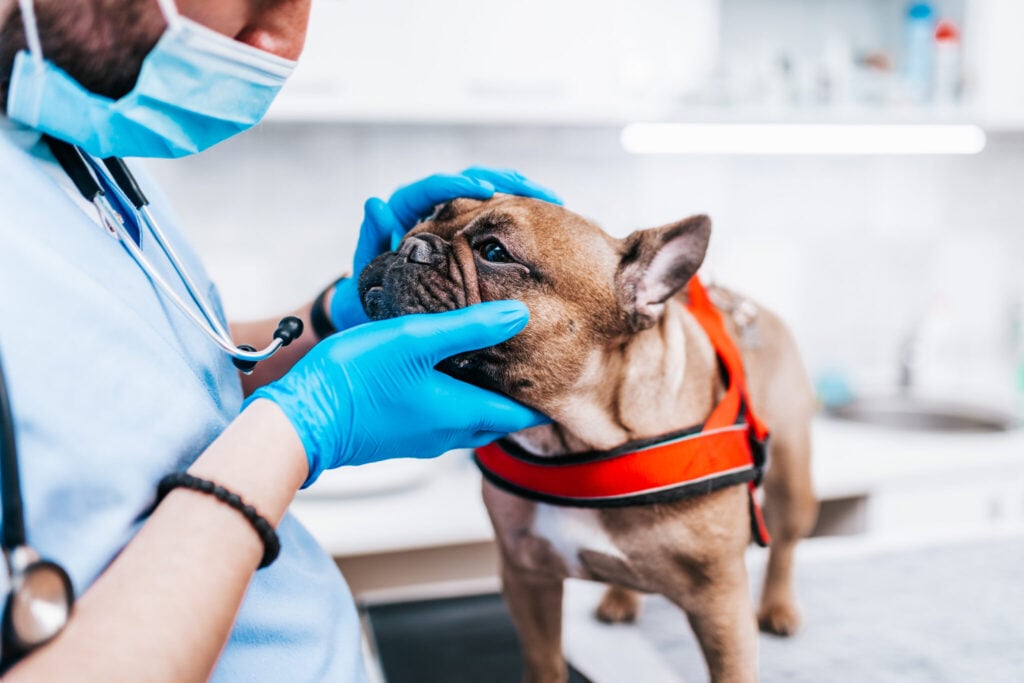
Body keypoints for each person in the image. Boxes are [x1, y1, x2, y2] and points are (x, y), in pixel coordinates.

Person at [0, 0, 559, 680]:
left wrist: (331, 318)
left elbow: (148, 377)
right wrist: (301, 425)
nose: (281, 46)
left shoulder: (76, 133)